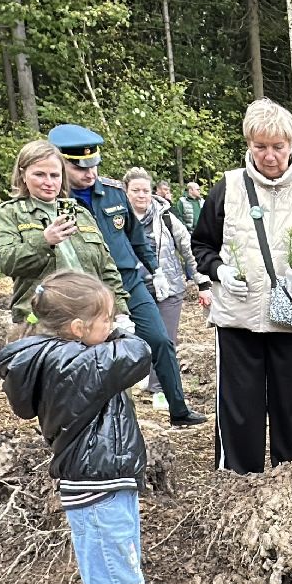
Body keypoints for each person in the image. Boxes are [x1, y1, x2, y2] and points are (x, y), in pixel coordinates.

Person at [0, 271, 200, 584]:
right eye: (106, 319)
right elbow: (141, 352)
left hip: (100, 480)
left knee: (106, 575)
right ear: (78, 329)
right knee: (123, 580)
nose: (114, 323)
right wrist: (125, 330)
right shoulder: (73, 363)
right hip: (97, 484)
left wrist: (108, 326)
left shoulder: (68, 357)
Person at [191, 98, 292, 474]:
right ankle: (236, 482)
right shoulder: (227, 188)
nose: (270, 156)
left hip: (291, 319)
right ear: (248, 144)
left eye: (278, 146)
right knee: (238, 405)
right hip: (237, 318)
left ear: (291, 145)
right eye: (260, 146)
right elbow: (202, 245)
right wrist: (220, 271)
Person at [46, 123, 206, 427]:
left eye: (93, 165)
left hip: (129, 280)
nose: (90, 174)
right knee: (91, 350)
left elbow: (136, 238)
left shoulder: (114, 195)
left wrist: (155, 269)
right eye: (80, 168)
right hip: (84, 288)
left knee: (160, 340)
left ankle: (178, 408)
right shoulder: (55, 202)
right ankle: (92, 416)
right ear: (62, 163)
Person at [0, 140, 126, 340]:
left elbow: (107, 268)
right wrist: (44, 241)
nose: (49, 182)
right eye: (39, 174)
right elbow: (5, 261)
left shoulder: (80, 213)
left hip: (90, 319)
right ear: (22, 174)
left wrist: (120, 311)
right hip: (41, 322)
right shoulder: (10, 212)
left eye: (55, 175)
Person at [124, 166, 203, 408]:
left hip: (169, 287)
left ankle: (159, 389)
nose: (141, 195)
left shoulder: (166, 216)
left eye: (145, 190)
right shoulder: (117, 219)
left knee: (165, 340)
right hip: (131, 288)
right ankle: (127, 383)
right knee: (133, 338)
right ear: (125, 192)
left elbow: (188, 248)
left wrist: (201, 280)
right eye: (135, 190)